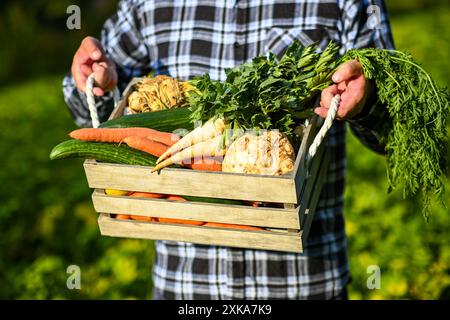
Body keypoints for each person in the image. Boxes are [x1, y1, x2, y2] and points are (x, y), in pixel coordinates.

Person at [63, 0, 394, 299]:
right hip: (185, 286)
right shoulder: (148, 5)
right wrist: (94, 81)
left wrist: (367, 102)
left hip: (304, 283)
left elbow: (392, 132)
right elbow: (98, 106)